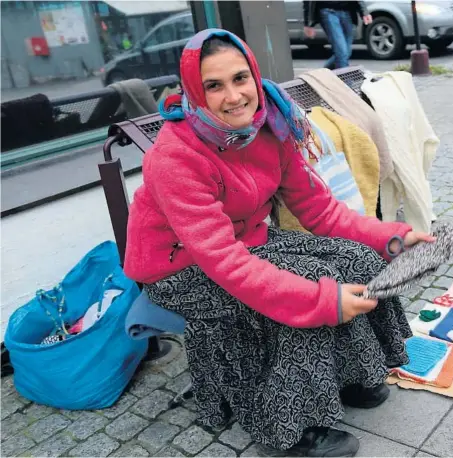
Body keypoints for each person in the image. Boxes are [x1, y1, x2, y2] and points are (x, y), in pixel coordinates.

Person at [123, 28, 434, 457]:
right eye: (213, 86)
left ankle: (350, 375)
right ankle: (289, 427)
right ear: (195, 91)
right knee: (302, 293)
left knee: (358, 258)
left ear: (255, 75)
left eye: (239, 79)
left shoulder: (272, 125)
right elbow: (224, 262)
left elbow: (322, 211)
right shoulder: (175, 157)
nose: (233, 97)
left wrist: (393, 238)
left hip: (244, 243)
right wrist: (320, 301)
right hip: (178, 269)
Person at [303, 1, 372, 69]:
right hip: (328, 11)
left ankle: (324, 72)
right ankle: (344, 78)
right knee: (342, 52)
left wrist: (364, 12)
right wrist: (308, 23)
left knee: (346, 52)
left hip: (347, 12)